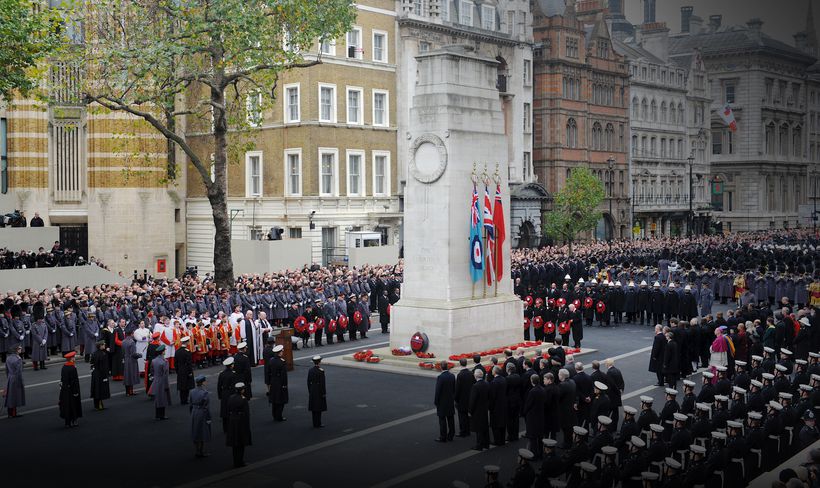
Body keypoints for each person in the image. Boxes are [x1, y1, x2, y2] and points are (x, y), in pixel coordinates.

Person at [226, 382, 252, 468]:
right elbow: (246, 414)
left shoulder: (231, 397)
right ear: (242, 390)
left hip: (232, 421)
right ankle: (240, 462)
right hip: (241, 422)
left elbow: (228, 409)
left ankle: (235, 461)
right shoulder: (243, 399)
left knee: (234, 444)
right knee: (241, 444)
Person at [522, 373, 545, 457]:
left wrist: (524, 412)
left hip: (532, 416)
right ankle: (540, 454)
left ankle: (534, 454)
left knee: (533, 437)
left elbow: (528, 404)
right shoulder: (543, 389)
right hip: (540, 415)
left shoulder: (532, 391)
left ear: (532, 381)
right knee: (540, 437)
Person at [264, 344, 288, 422]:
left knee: (274, 400)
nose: (282, 353)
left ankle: (274, 415)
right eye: (282, 351)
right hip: (280, 382)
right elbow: (284, 375)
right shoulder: (282, 362)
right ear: (280, 352)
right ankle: (279, 416)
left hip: (272, 382)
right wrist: (284, 385)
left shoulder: (271, 361)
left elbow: (267, 373)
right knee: (281, 400)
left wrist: (268, 383)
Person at [189, 375, 212, 458]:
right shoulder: (205, 393)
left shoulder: (192, 391)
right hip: (201, 412)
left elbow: (190, 404)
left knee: (195, 431)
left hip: (194, 412)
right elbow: (206, 407)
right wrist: (209, 417)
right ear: (202, 383)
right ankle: (201, 451)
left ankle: (196, 450)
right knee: (202, 432)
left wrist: (191, 413)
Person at [434, 360, 456, 442]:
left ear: (440, 367)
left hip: (442, 402)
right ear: (447, 366)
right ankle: (451, 435)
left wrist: (436, 401)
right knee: (451, 419)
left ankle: (443, 437)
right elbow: (454, 388)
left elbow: (438, 391)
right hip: (450, 401)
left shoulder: (441, 377)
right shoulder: (452, 376)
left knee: (442, 420)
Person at [58, 351, 82, 427]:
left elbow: (62, 379)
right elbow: (74, 381)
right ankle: (74, 420)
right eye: (73, 357)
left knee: (66, 405)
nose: (74, 358)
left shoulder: (64, 367)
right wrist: (76, 392)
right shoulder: (73, 368)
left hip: (64, 390)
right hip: (72, 390)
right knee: (74, 405)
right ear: (71, 359)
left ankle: (67, 422)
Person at [469, 368, 490, 450]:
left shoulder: (475, 386)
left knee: (478, 428)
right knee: (485, 426)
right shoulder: (487, 383)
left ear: (475, 376)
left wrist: (470, 411)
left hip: (477, 410)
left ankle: (479, 445)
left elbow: (472, 400)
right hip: (485, 408)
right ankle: (486, 444)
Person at [454, 358, 474, 438]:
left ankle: (463, 431)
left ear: (460, 364)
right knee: (467, 415)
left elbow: (458, 388)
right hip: (469, 397)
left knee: (462, 416)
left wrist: (456, 398)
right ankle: (468, 430)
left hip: (462, 399)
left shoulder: (460, 375)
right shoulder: (471, 373)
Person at [217, 357, 238, 433]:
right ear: (231, 365)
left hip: (224, 393)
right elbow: (234, 386)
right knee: (232, 411)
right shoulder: (233, 374)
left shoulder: (221, 374)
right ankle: (232, 427)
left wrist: (220, 395)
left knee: (224, 411)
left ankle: (225, 428)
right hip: (231, 394)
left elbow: (219, 386)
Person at [151, 344, 171, 420]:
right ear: (162, 352)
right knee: (163, 398)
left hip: (156, 380)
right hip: (162, 381)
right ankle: (162, 415)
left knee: (157, 399)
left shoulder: (153, 361)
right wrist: (166, 385)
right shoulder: (165, 361)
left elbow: (152, 371)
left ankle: (157, 415)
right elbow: (166, 374)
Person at [90, 340, 110, 411]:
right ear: (100, 346)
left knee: (96, 389)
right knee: (100, 390)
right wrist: (105, 376)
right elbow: (104, 367)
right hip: (101, 374)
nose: (104, 346)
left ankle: (96, 405)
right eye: (103, 345)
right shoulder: (103, 354)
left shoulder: (94, 353)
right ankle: (99, 405)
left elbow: (91, 364)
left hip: (95, 374)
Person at [307, 355, 327, 428]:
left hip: (312, 390)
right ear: (319, 362)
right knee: (318, 408)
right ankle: (318, 423)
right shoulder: (321, 371)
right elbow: (322, 384)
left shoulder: (310, 370)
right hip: (319, 390)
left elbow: (308, 382)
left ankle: (314, 423)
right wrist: (323, 393)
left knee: (313, 408)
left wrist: (310, 390)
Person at [176, 337, 194, 405]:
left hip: (180, 370)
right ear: (186, 342)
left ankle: (182, 399)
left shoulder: (177, 351)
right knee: (187, 385)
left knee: (181, 385)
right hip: (186, 370)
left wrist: (178, 370)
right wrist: (190, 372)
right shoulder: (187, 351)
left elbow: (176, 363)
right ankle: (185, 399)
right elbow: (189, 363)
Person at [122, 329, 141, 396]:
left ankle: (127, 392)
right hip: (131, 360)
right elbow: (133, 354)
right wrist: (139, 355)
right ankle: (131, 391)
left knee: (127, 375)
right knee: (131, 375)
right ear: (131, 334)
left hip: (126, 359)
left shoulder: (123, 341)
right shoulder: (132, 342)